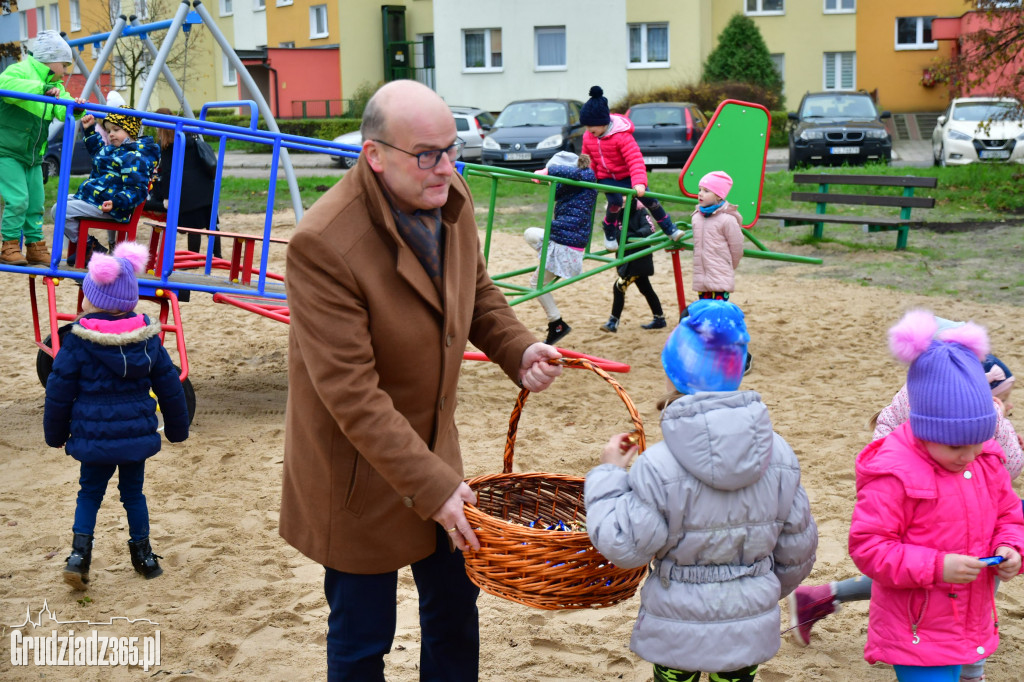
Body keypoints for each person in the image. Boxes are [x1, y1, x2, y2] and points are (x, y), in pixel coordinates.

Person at [278, 79, 563, 682]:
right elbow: (351, 393)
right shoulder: (323, 245)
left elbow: (475, 289)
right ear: (373, 154)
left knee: (457, 611)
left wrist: (518, 348)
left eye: (452, 148)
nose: (446, 168)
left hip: (435, 453)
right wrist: (432, 486)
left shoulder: (447, 191)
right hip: (357, 471)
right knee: (362, 636)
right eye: (427, 153)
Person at [585, 299, 818, 682]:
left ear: (672, 375)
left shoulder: (657, 466)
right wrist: (756, 591)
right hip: (749, 621)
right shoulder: (780, 456)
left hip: (677, 625)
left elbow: (625, 545)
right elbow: (798, 551)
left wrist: (609, 474)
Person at [789, 337, 1022, 682]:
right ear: (926, 429)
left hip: (971, 624)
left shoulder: (985, 458)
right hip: (918, 629)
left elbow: (1009, 514)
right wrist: (937, 566)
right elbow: (870, 547)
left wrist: (1011, 548)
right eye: (958, 445)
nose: (970, 454)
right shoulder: (894, 474)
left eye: (980, 440)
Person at [43, 241, 190, 589]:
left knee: (89, 493)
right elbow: (169, 385)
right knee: (133, 494)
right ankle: (144, 557)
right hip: (136, 433)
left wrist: (55, 434)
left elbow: (59, 391)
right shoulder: (149, 340)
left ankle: (79, 557)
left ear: (92, 299)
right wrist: (178, 429)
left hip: (93, 435)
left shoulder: (78, 342)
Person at [0, 30, 85, 266]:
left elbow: (61, 108)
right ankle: (9, 245)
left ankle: (35, 246)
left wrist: (75, 108)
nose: (66, 71)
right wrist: (41, 89)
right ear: (50, 59)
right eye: (64, 64)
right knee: (18, 199)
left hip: (34, 155)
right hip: (7, 150)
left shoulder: (55, 84)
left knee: (36, 203)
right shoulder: (20, 71)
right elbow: (4, 85)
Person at [579, 85, 684, 251]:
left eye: (591, 127)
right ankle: (610, 233)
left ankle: (670, 229)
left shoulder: (622, 137)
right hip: (607, 177)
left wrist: (639, 182)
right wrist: (584, 176)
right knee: (615, 202)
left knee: (650, 200)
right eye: (586, 127)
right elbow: (586, 159)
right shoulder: (589, 136)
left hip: (628, 177)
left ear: (602, 122)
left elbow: (635, 160)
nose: (588, 131)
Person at [63, 107, 158, 267]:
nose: (111, 134)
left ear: (131, 132)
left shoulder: (135, 158)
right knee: (62, 201)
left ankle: (88, 247)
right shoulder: (117, 150)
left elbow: (137, 189)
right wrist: (90, 131)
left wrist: (117, 202)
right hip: (97, 198)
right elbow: (99, 153)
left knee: (61, 210)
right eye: (108, 130)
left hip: (111, 207)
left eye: (116, 129)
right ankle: (87, 246)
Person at [523, 150, 597, 345]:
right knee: (530, 233)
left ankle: (557, 324)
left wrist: (547, 171)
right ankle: (557, 323)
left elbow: (583, 173)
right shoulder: (571, 191)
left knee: (535, 286)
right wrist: (547, 179)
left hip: (567, 247)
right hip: (564, 244)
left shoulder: (585, 180)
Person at [146, 107, 222, 259]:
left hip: (187, 192)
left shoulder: (167, 145)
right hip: (205, 186)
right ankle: (217, 255)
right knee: (211, 224)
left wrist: (167, 197)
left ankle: (193, 259)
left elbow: (167, 173)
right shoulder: (188, 134)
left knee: (193, 227)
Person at [598, 202, 668, 332]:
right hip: (625, 257)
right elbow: (611, 233)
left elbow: (650, 228)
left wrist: (632, 236)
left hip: (638, 259)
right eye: (621, 197)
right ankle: (659, 318)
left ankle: (613, 321)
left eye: (626, 197)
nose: (623, 200)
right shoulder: (614, 214)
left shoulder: (641, 212)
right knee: (646, 289)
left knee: (619, 287)